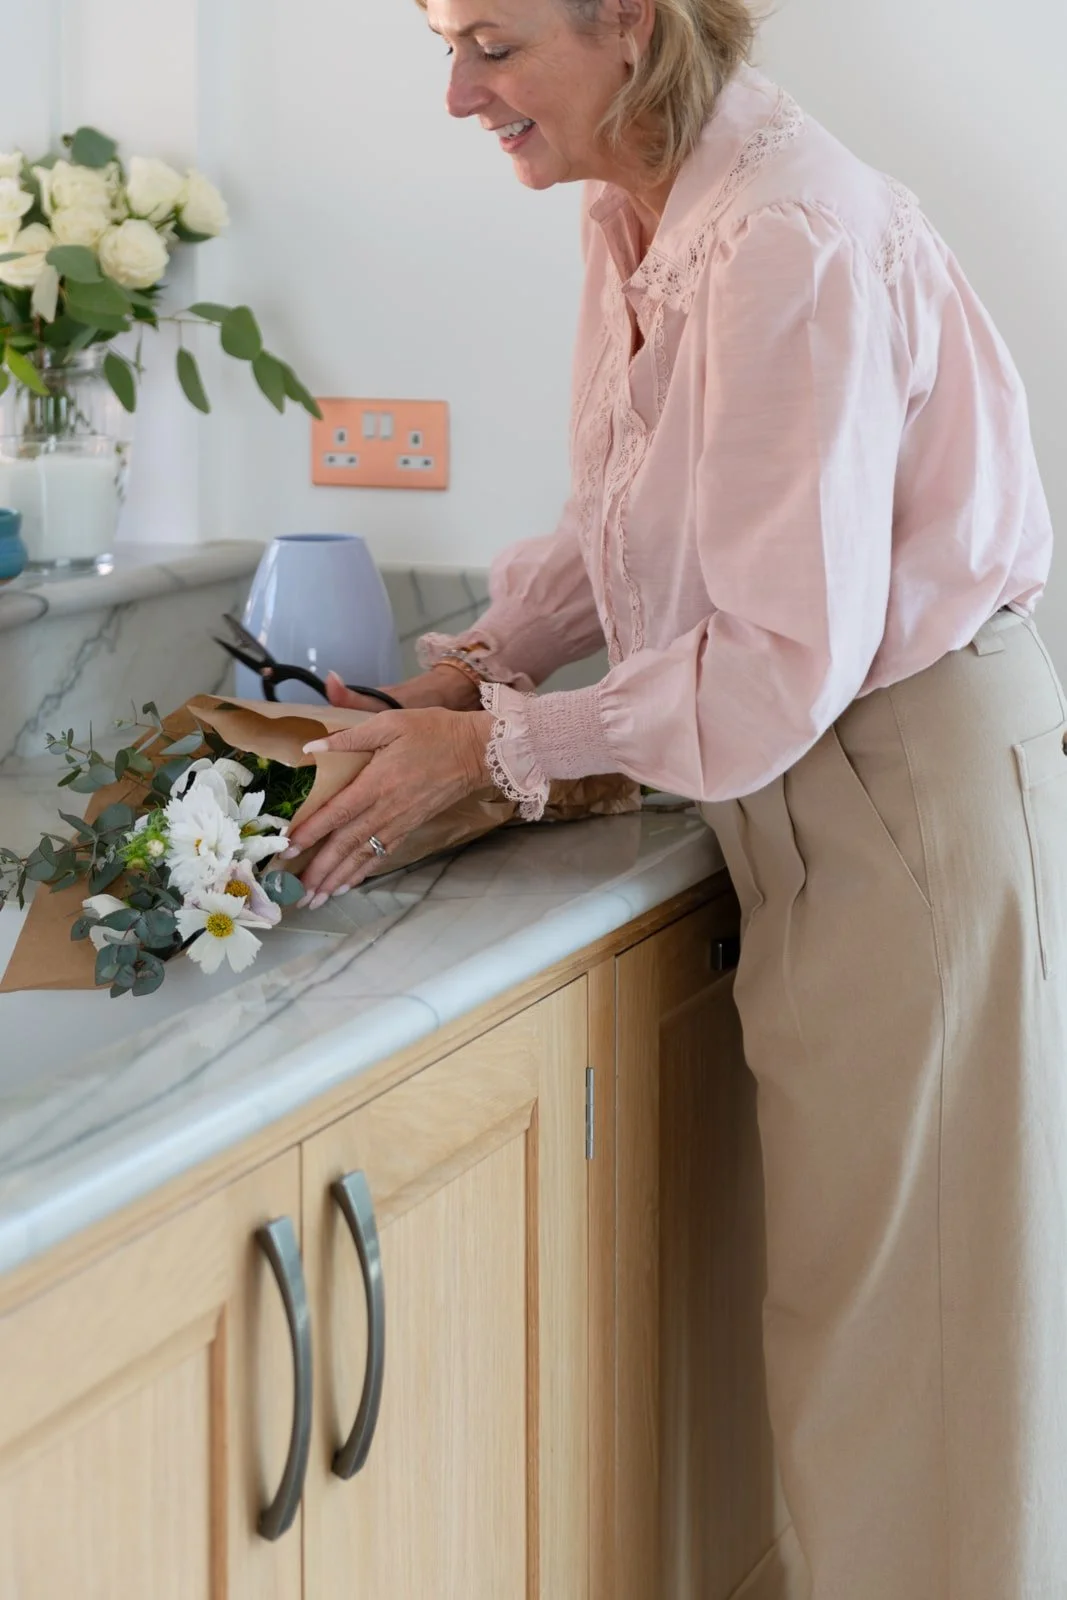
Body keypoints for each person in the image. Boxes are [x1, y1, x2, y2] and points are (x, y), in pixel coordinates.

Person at [285, 1, 1066, 1593]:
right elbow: (631, 519)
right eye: (442, 42)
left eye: (491, 43)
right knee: (846, 1336)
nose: (456, 92)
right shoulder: (639, 205)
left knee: (908, 1357)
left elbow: (780, 657)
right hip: (819, 778)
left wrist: (503, 750)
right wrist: (477, 663)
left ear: (629, 23)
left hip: (892, 777)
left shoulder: (784, 237)